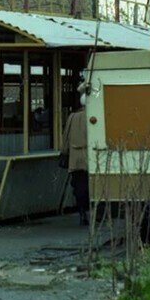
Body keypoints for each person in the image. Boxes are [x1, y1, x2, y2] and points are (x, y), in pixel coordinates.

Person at [62, 89, 89, 225]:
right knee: (89, 186)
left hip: (75, 158)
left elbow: (66, 137)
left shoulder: (72, 117)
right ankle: (90, 212)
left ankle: (81, 212)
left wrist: (64, 152)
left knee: (78, 186)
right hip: (89, 157)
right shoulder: (93, 115)